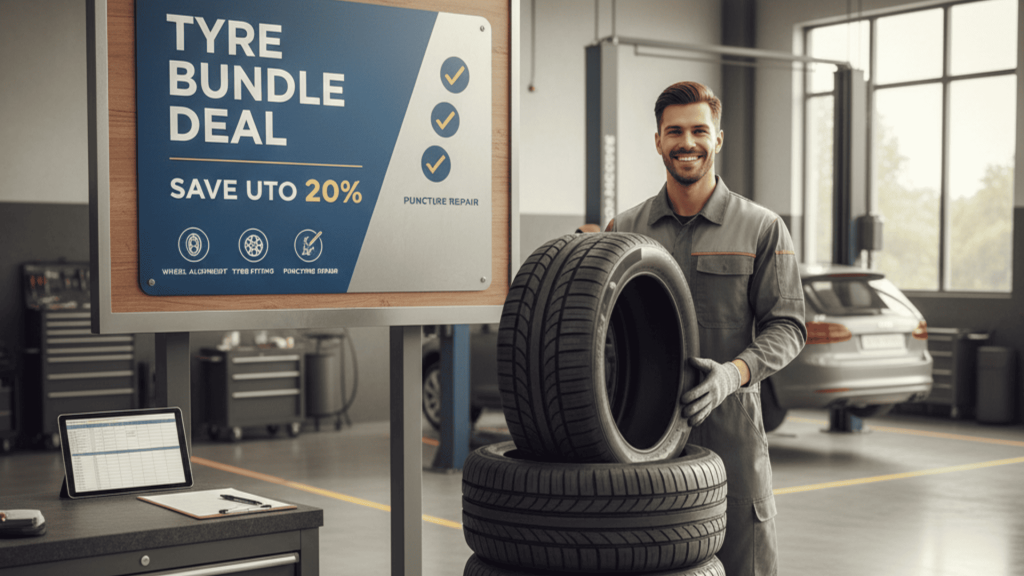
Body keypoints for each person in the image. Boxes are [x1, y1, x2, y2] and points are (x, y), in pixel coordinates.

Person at [607, 81, 806, 576]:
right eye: (675, 131)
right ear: (657, 141)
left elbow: (788, 326)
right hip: (640, 437)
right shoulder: (623, 230)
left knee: (746, 564)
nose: (687, 142)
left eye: (699, 130)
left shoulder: (762, 228)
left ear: (718, 139)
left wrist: (732, 375)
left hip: (730, 435)